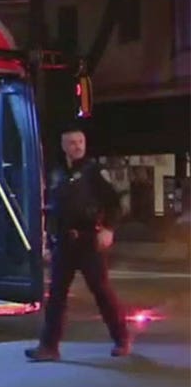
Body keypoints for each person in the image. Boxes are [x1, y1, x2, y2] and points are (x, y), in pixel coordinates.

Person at [25, 123, 130, 361]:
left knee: (102, 292)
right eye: (72, 143)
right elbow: (53, 210)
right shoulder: (58, 174)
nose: (77, 147)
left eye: (80, 142)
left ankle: (121, 339)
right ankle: (49, 347)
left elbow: (116, 203)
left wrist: (109, 229)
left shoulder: (93, 172)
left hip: (88, 241)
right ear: (64, 147)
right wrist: (48, 242)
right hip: (64, 242)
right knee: (56, 296)